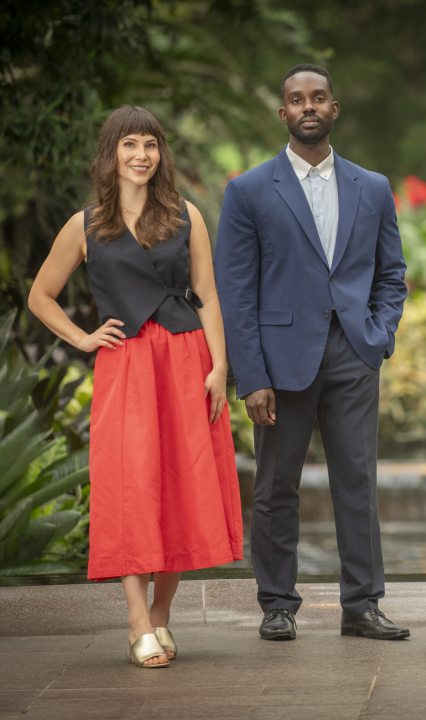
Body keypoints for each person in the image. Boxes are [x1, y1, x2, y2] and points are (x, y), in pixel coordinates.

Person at [28, 106, 244, 668]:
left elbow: (209, 296)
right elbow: (40, 295)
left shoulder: (186, 216)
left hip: (186, 358)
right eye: (129, 145)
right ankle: (135, 619)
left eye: (150, 144)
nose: (141, 155)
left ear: (160, 154)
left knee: (181, 482)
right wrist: (81, 338)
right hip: (125, 364)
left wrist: (220, 367)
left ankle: (163, 617)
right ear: (111, 154)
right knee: (129, 484)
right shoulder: (85, 225)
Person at [215, 64, 408, 642]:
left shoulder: (371, 186)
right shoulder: (249, 190)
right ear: (283, 113)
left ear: (334, 108)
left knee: (358, 481)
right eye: (296, 99)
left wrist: (379, 336)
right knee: (275, 487)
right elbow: (236, 292)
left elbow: (392, 274)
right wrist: (251, 376)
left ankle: (363, 605)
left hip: (353, 354)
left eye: (318, 98)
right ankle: (277, 603)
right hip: (279, 362)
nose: (308, 106)